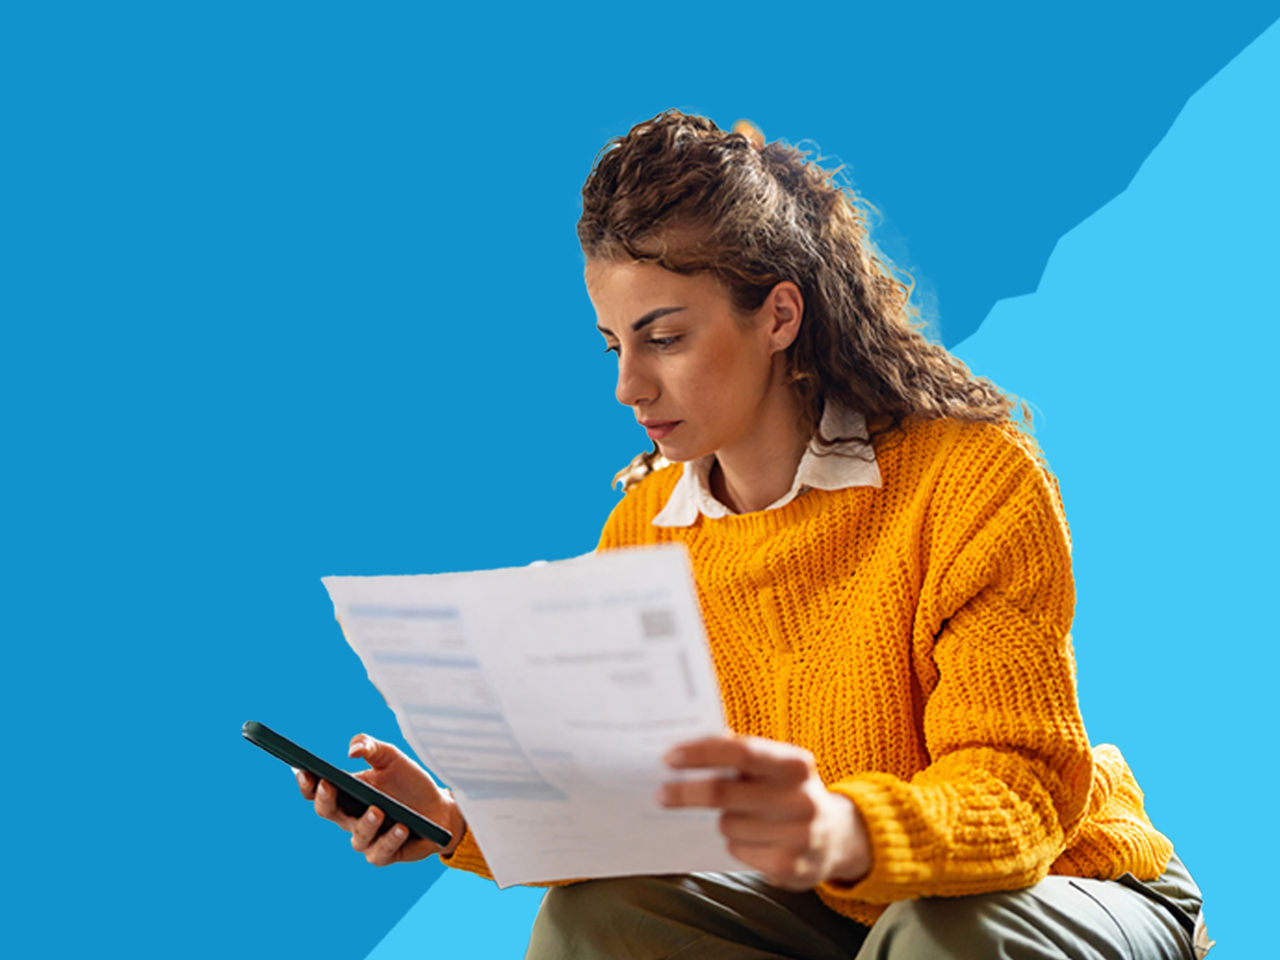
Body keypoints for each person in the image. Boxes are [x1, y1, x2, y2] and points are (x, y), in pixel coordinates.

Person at [296, 109, 1214, 959]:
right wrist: (456, 823)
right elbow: (630, 818)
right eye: (613, 344)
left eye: (664, 338)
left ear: (778, 315)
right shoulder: (648, 531)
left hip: (1060, 884)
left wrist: (837, 829)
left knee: (938, 936)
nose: (629, 387)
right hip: (829, 906)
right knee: (596, 919)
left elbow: (1021, 794)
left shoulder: (972, 480)